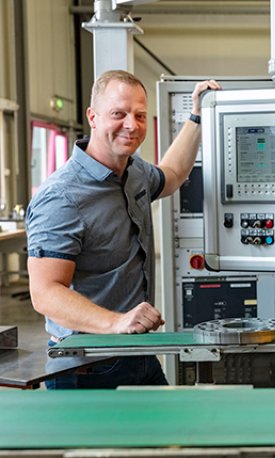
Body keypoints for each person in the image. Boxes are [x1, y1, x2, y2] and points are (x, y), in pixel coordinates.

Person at [26, 70, 221, 389]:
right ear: (92, 117)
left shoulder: (135, 172)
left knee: (168, 424)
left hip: (138, 352)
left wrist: (197, 116)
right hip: (87, 365)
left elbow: (172, 175)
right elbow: (45, 293)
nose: (132, 125)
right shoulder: (61, 197)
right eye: (119, 114)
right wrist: (117, 322)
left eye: (140, 115)